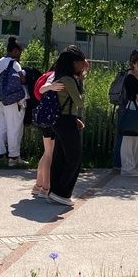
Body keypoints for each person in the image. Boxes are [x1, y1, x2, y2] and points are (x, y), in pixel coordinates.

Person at [49, 47, 88, 207]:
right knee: (74, 158)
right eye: (81, 62)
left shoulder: (59, 76)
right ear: (74, 63)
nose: (83, 65)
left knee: (60, 157)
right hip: (66, 122)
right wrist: (81, 79)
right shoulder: (69, 79)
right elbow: (79, 102)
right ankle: (62, 192)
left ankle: (55, 190)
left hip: (61, 120)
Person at [0, 37, 28, 167]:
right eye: (19, 52)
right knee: (14, 127)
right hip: (14, 100)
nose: (19, 55)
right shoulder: (15, 64)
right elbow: (22, 80)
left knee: (1, 127)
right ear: (14, 51)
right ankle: (13, 157)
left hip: (3, 99)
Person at [31, 64, 64, 199]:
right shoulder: (56, 75)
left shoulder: (52, 74)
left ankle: (38, 186)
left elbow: (41, 90)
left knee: (47, 153)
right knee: (49, 154)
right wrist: (51, 86)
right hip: (51, 118)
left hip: (45, 117)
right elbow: (42, 89)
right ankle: (45, 187)